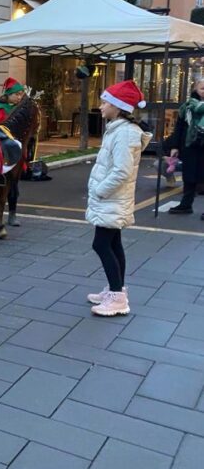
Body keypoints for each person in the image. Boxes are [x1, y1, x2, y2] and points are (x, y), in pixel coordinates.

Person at [86, 80, 152, 317]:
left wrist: (101, 190)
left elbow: (121, 171)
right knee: (113, 243)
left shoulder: (124, 133)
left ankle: (117, 298)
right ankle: (116, 290)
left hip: (112, 197)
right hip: (113, 198)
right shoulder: (118, 128)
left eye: (105, 102)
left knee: (101, 244)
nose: (101, 106)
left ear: (118, 106)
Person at [0, 77, 27, 226]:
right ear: (8, 95)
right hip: (0, 151)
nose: (19, 97)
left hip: (16, 151)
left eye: (21, 95)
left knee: (14, 186)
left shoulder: (20, 110)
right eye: (17, 94)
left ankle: (12, 214)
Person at [166, 78, 204, 219]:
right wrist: (175, 146)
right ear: (196, 89)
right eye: (202, 88)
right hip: (190, 146)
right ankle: (186, 204)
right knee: (189, 176)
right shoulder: (187, 107)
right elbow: (180, 127)